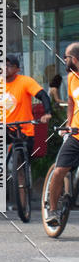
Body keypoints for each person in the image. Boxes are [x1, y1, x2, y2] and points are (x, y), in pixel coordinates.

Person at [45, 44, 79, 226]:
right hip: (76, 135)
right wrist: (69, 124)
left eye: (65, 57)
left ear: (74, 59)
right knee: (59, 171)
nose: (64, 60)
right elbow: (72, 103)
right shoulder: (72, 77)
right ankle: (52, 211)